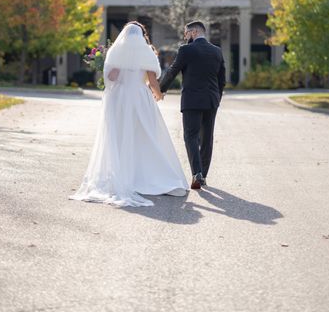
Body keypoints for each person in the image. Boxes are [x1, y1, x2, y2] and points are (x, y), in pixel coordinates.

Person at [70, 22, 188, 207]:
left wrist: (117, 62)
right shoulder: (146, 51)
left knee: (118, 136)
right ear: (142, 35)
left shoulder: (116, 52)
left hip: (119, 98)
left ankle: (122, 174)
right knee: (145, 135)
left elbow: (111, 77)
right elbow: (152, 79)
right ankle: (144, 176)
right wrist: (158, 95)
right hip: (139, 97)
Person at [159, 21, 226, 190]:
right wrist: (216, 98)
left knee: (190, 136)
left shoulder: (186, 50)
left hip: (192, 101)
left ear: (194, 32)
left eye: (186, 33)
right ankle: (202, 175)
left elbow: (173, 70)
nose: (184, 36)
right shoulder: (217, 51)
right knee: (207, 138)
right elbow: (222, 80)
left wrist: (160, 89)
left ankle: (196, 173)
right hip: (211, 101)